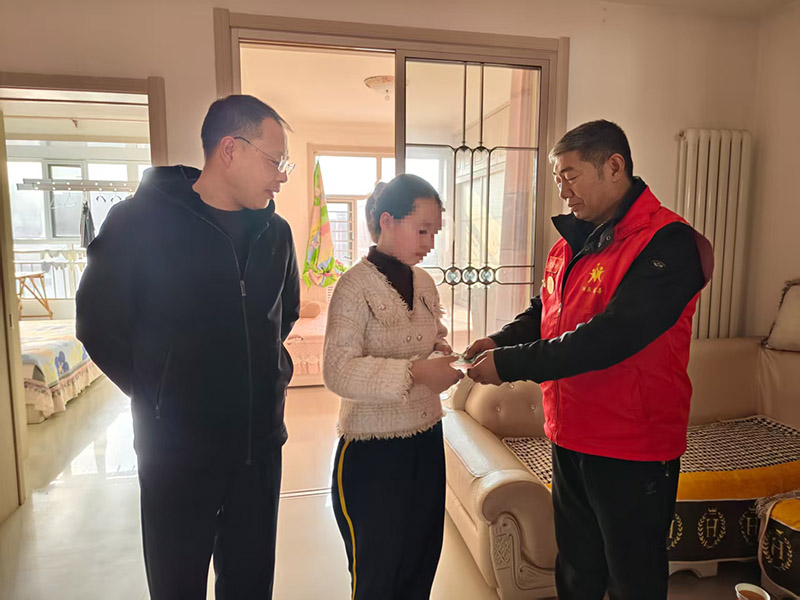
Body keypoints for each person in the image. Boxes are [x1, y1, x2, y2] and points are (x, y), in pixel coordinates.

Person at [465, 120, 712, 599]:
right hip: (570, 434)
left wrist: (510, 365)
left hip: (632, 444)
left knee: (632, 578)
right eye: (558, 179)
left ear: (614, 167)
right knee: (577, 570)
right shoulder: (570, 243)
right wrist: (498, 341)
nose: (563, 191)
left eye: (571, 176)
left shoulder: (668, 243)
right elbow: (546, 312)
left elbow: (611, 337)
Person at [76, 94, 300, 599]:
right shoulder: (138, 223)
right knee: (177, 585)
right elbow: (97, 324)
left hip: (258, 449)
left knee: (250, 585)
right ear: (230, 149)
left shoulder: (277, 234)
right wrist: (157, 391)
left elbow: (281, 317)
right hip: (174, 453)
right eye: (275, 161)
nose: (281, 177)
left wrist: (267, 378)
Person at [323, 175, 464, 600]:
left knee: (421, 560)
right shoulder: (353, 286)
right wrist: (417, 373)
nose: (430, 243)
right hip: (372, 453)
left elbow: (434, 337)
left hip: (427, 441)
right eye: (422, 231)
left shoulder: (425, 283)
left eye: (434, 232)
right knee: (377, 574)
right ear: (387, 221)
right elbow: (337, 371)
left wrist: (442, 351)